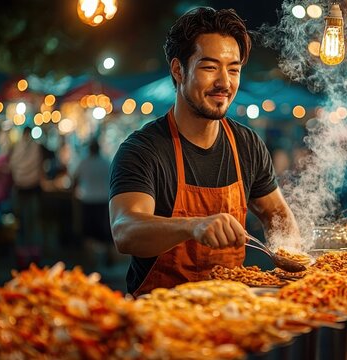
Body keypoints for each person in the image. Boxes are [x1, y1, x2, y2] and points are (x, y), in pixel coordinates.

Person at [109, 7, 300, 296]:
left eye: (233, 69)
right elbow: (125, 231)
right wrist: (192, 227)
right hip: (160, 318)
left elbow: (277, 213)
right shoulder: (142, 150)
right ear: (178, 69)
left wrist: (290, 256)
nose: (224, 82)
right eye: (210, 67)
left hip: (232, 312)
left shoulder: (247, 144)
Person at [73, 139, 113, 266]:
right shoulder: (106, 162)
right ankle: (109, 259)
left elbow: (75, 179)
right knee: (105, 232)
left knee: (88, 232)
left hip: (88, 200)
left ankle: (91, 262)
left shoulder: (84, 162)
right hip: (104, 200)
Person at [9, 127, 44, 268]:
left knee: (23, 223)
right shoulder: (36, 148)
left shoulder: (18, 148)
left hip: (21, 190)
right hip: (32, 190)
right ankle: (33, 254)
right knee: (31, 223)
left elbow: (13, 165)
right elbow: (39, 166)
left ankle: (23, 254)